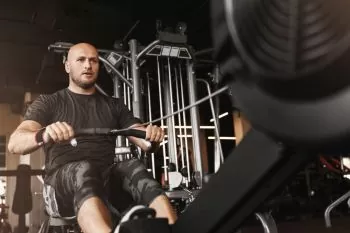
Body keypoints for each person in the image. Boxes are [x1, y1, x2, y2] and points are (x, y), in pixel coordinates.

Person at [7, 43, 177, 233]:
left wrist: (151, 138)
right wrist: (44, 134)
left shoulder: (114, 105)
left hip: (105, 181)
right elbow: (15, 143)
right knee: (84, 168)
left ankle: (171, 229)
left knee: (133, 165)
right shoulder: (50, 102)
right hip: (62, 187)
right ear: (67, 66)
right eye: (81, 60)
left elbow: (142, 139)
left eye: (93, 60)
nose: (88, 65)